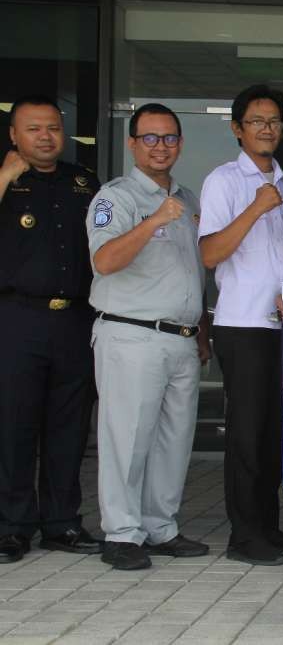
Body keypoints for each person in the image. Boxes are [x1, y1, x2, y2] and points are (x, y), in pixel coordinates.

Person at [88, 103, 212, 570]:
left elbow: (194, 271)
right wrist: (154, 220)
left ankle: (161, 528)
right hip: (132, 335)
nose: (161, 147)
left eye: (170, 138)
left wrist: (202, 330)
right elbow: (104, 262)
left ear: (180, 143)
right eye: (151, 138)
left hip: (181, 338)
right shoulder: (115, 199)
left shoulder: (190, 199)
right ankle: (121, 533)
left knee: (173, 441)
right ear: (132, 143)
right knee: (127, 438)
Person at [198, 85, 283, 566]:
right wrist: (255, 208)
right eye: (257, 121)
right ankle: (243, 535)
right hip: (241, 325)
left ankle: (267, 524)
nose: (268, 128)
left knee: (273, 433)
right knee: (245, 433)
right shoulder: (223, 181)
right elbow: (210, 252)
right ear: (238, 129)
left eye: (275, 120)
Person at [0, 96, 101, 563]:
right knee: (15, 425)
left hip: (76, 319)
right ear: (14, 136)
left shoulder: (83, 182)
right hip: (18, 318)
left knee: (69, 425)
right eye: (34, 128)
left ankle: (62, 522)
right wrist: (5, 176)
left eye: (54, 128)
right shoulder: (5, 182)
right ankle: (12, 526)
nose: (46, 136)